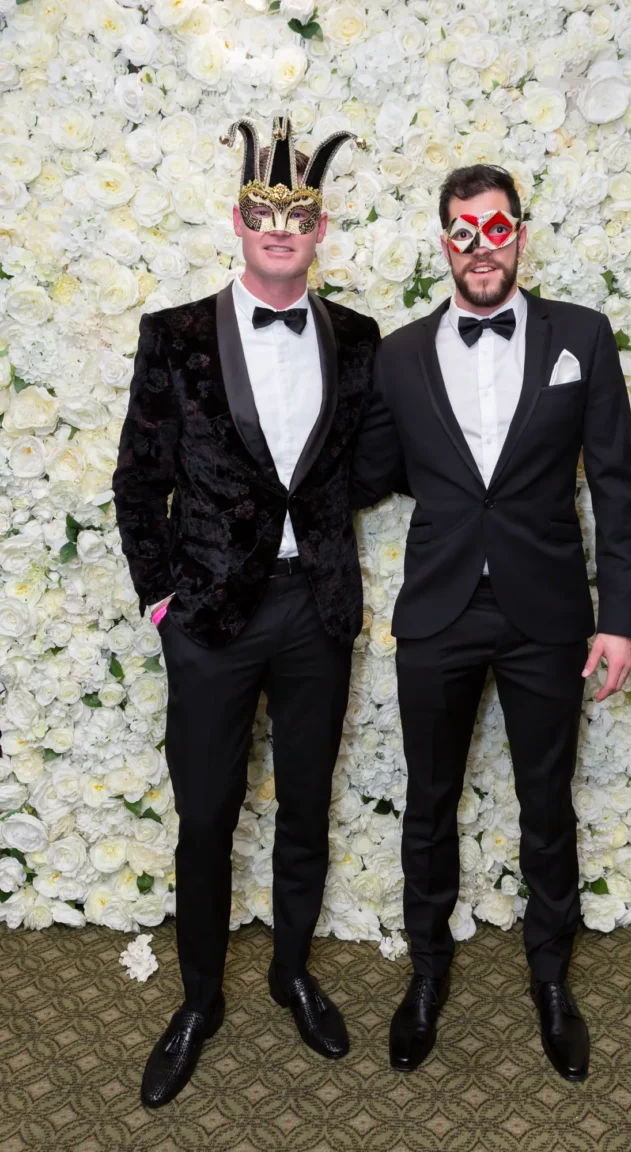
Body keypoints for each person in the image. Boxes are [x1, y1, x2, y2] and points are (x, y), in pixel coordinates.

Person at [352, 163, 631, 1080]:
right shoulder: (397, 355)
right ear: (443, 241)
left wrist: (622, 618)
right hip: (439, 610)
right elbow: (373, 471)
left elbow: (614, 482)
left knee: (545, 804)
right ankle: (427, 975)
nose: (479, 247)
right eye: (460, 231)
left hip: (548, 613)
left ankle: (552, 979)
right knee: (429, 805)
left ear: (520, 231)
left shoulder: (582, 338)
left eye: (495, 227)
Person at [113, 114, 380, 1108]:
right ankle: (198, 1003)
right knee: (206, 819)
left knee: (306, 807)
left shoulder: (358, 340)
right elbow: (137, 482)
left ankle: (293, 973)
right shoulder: (173, 334)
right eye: (265, 212)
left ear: (319, 231)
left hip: (314, 611)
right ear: (238, 220)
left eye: (299, 214)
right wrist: (160, 602)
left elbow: (371, 461)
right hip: (210, 624)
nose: (281, 228)